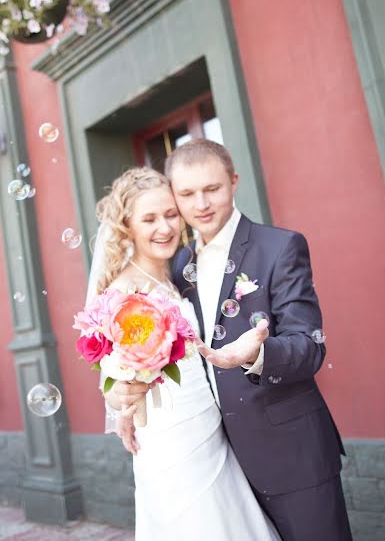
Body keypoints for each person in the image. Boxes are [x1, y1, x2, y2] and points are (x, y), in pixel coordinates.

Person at [114, 139, 352, 540]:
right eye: (187, 194)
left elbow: (309, 346)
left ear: (234, 182)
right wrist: (128, 393)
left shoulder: (280, 247)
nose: (201, 204)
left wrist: (259, 354)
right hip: (216, 462)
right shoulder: (178, 264)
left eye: (213, 189)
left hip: (290, 453)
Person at [87, 167, 279, 541]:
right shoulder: (125, 290)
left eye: (171, 214)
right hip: (170, 435)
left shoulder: (176, 275)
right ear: (127, 226)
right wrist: (120, 402)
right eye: (149, 219)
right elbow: (114, 375)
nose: (165, 227)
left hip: (208, 422)